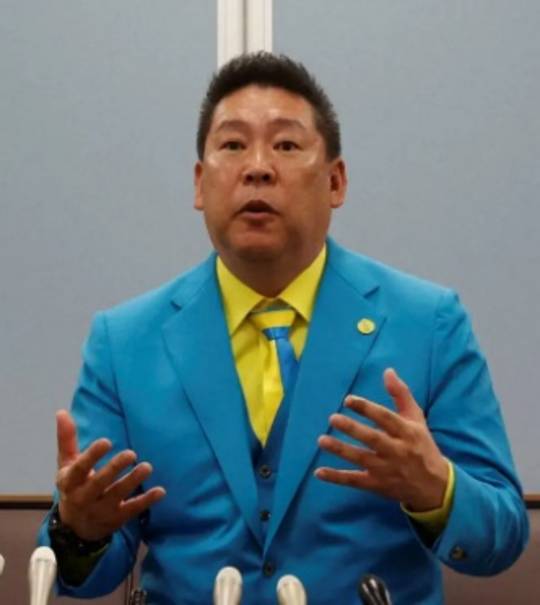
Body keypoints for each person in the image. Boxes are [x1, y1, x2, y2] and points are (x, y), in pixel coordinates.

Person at [38, 52, 528, 604]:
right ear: (200, 185)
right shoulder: (124, 343)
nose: (258, 167)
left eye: (287, 145)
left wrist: (437, 488)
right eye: (232, 145)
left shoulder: (428, 324)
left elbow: (503, 535)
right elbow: (83, 575)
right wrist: (79, 530)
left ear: (336, 181)